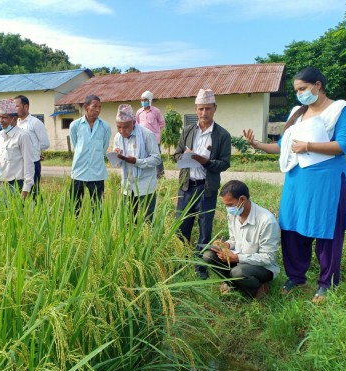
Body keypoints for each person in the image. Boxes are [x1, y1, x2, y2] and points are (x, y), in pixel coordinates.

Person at [243, 67, 346, 303]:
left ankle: (326, 283)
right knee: (292, 229)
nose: (300, 94)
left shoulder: (340, 110)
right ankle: (296, 278)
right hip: (296, 182)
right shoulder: (297, 112)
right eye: (297, 90)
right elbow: (285, 147)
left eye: (303, 89)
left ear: (317, 85)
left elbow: (345, 145)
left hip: (326, 182)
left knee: (327, 230)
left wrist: (308, 146)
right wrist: (257, 145)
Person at [174, 89, 231, 280]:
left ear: (215, 108)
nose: (204, 113)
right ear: (196, 109)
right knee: (182, 225)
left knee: (205, 227)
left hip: (207, 188)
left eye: (207, 108)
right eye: (200, 109)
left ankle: (200, 265)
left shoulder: (222, 134)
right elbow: (176, 154)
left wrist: (205, 161)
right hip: (186, 186)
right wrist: (186, 156)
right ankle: (181, 262)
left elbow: (225, 163)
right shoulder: (188, 130)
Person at [202, 180, 280, 299]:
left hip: (263, 268)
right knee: (208, 255)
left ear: (242, 200)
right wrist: (226, 245)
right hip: (239, 260)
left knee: (238, 272)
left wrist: (237, 257)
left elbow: (269, 257)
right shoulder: (233, 215)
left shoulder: (266, 221)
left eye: (229, 204)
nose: (228, 209)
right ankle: (232, 284)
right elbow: (234, 239)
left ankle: (259, 288)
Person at [113, 104, 161, 222]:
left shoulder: (147, 134)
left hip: (145, 186)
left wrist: (136, 161)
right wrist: (117, 155)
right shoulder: (118, 137)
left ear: (133, 123)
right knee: (128, 221)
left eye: (125, 127)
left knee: (148, 220)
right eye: (118, 127)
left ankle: (148, 239)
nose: (122, 131)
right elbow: (117, 164)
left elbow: (156, 159)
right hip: (127, 186)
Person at [0, 99, 35, 199]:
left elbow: (29, 163)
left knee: (18, 213)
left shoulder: (22, 136)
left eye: (4, 117)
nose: (0, 121)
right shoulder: (0, 135)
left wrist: (26, 189)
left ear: (14, 118)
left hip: (18, 184)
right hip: (3, 183)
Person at [70, 94, 111, 213]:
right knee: (75, 205)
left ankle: (97, 230)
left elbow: (104, 147)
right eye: (94, 106)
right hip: (79, 171)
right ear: (86, 107)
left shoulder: (105, 127)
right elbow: (76, 144)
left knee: (97, 206)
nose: (98, 110)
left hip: (97, 172)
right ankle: (75, 227)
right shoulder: (75, 125)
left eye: (100, 107)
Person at [15, 95, 50, 195]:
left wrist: (32, 151)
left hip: (33, 163)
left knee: (33, 193)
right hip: (19, 163)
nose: (14, 109)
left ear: (25, 107)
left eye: (17, 106)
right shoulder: (16, 123)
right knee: (20, 192)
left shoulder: (35, 123)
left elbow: (45, 143)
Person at [136, 90, 165, 178]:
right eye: (141, 100)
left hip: (154, 138)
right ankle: (146, 174)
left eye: (145, 100)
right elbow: (137, 123)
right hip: (142, 138)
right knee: (143, 156)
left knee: (156, 156)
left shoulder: (156, 111)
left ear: (149, 100)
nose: (143, 102)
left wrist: (155, 132)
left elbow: (162, 123)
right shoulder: (139, 112)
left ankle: (160, 174)